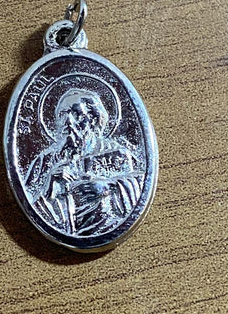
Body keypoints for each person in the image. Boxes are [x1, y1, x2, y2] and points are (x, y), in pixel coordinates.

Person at [25, 88, 142, 236]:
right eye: (62, 115)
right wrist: (49, 188)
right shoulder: (45, 160)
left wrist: (108, 186)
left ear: (93, 120)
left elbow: (141, 184)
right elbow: (28, 203)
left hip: (105, 227)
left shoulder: (117, 153)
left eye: (76, 114)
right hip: (59, 232)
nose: (68, 122)